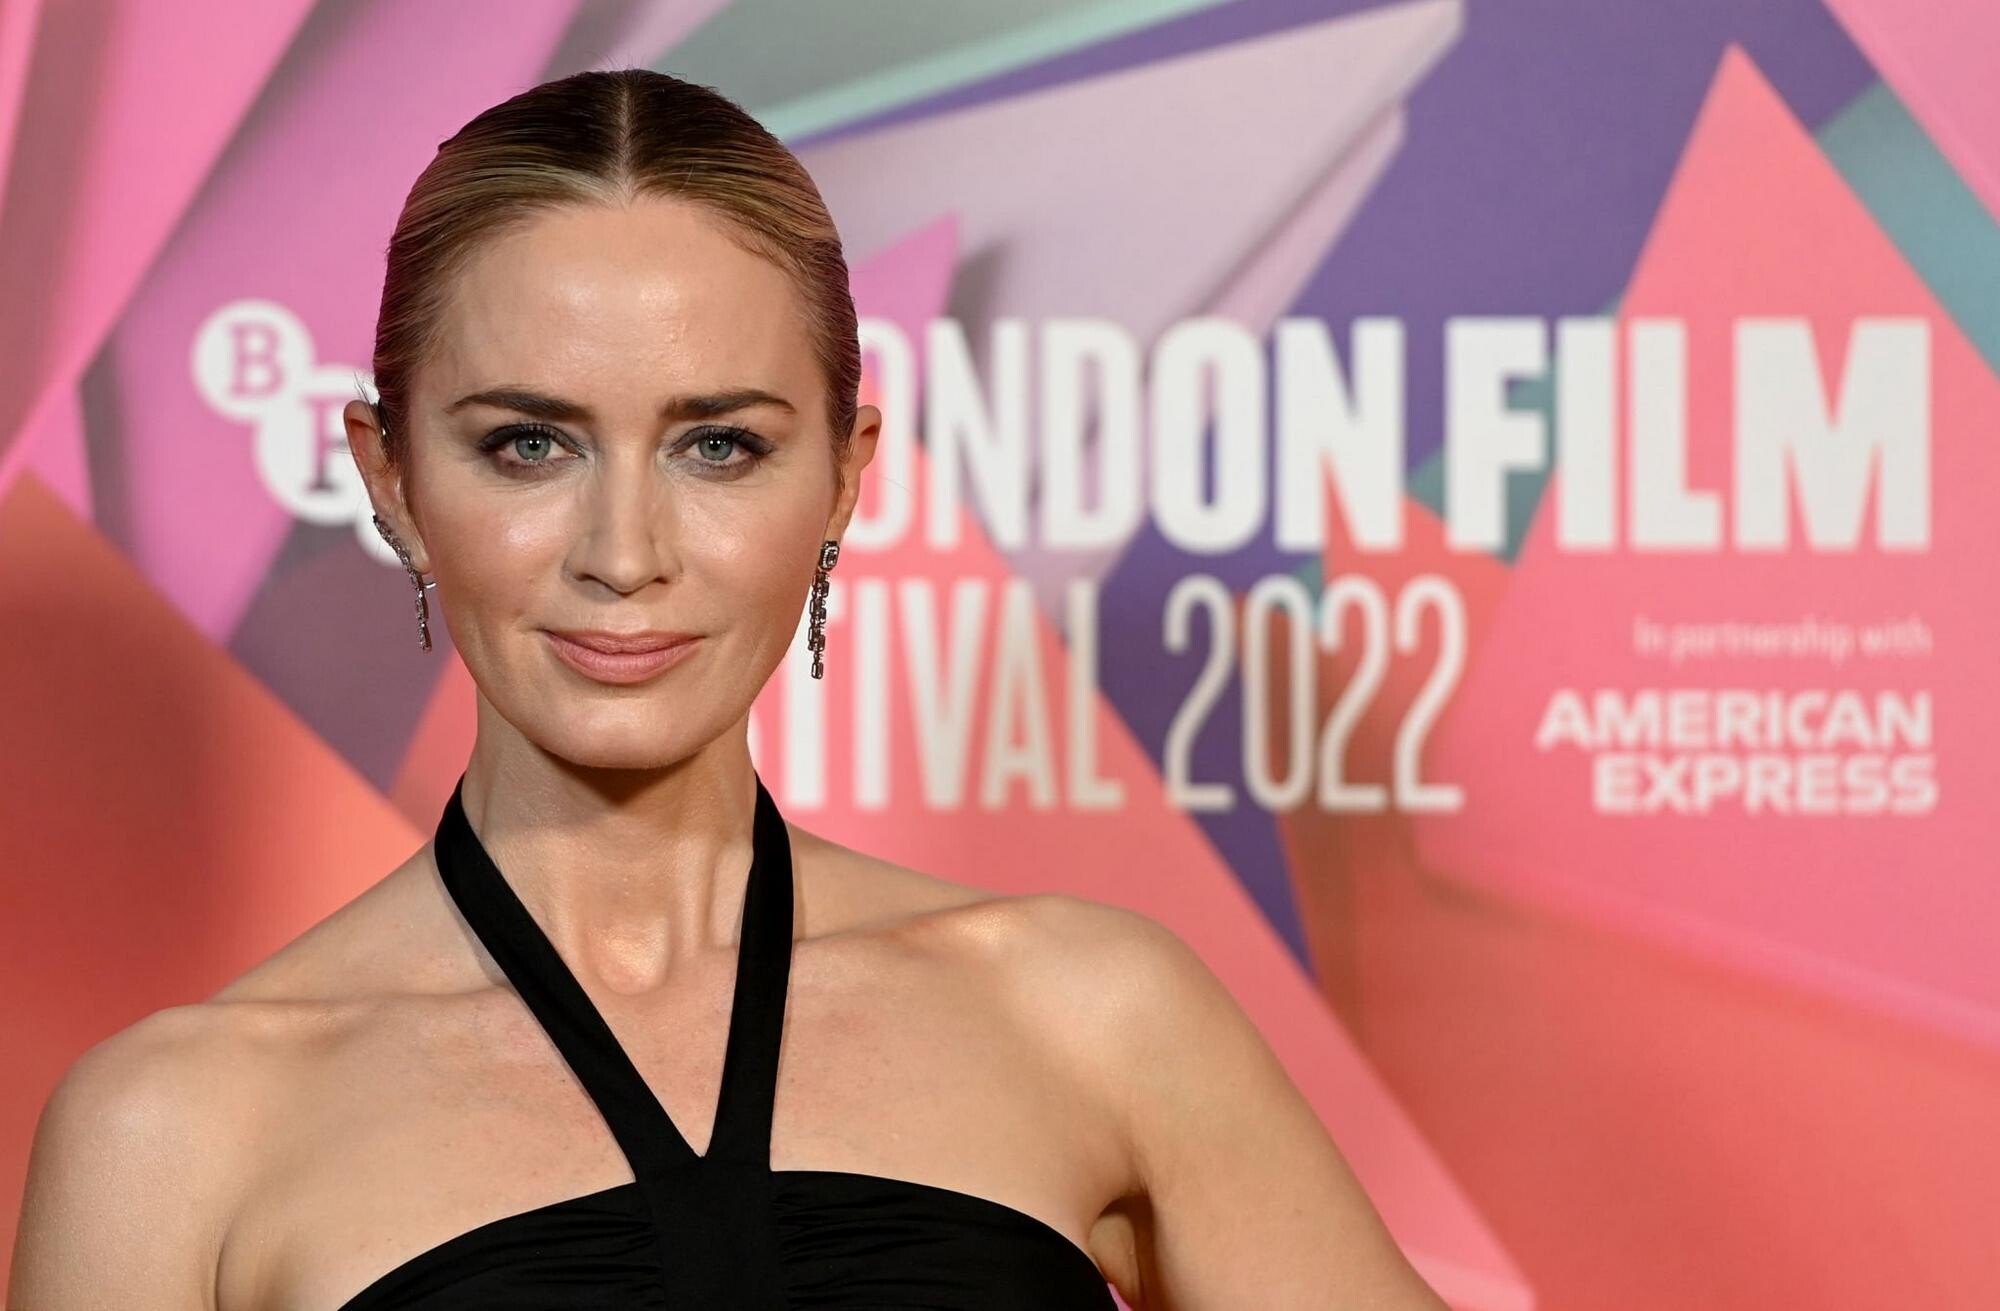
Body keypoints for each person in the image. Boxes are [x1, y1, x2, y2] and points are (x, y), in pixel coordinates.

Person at [8, 68, 1446, 1310]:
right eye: (528, 445)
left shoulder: (1092, 1014)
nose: (624, 553)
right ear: (391, 479)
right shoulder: (174, 1133)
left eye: (720, 448)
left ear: (845, 479)